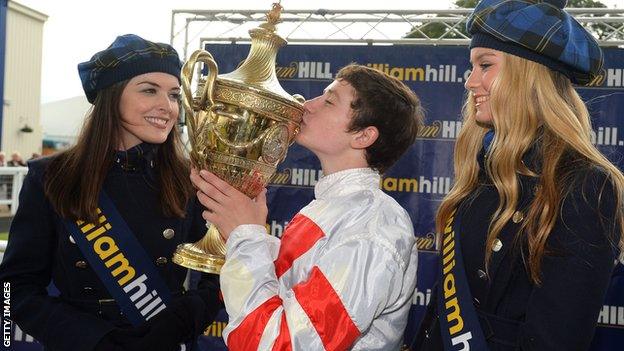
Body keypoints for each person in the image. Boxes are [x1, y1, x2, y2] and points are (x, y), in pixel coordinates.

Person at [414, 1, 624, 350]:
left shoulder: (584, 184)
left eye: (485, 66)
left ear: (529, 75)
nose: (470, 83)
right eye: (472, 67)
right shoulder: (484, 170)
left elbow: (556, 338)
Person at [0, 34, 222, 351]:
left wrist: (179, 321)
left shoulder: (190, 180)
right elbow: (14, 288)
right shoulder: (50, 177)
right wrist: (93, 339)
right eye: (149, 90)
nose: (167, 106)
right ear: (111, 95)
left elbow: (217, 279)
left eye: (174, 95)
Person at [190, 64, 423, 350]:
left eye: (328, 101)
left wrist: (247, 235)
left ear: (363, 136)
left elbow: (282, 344)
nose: (305, 104)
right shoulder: (335, 207)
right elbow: (277, 293)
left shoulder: (369, 230)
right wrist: (241, 230)